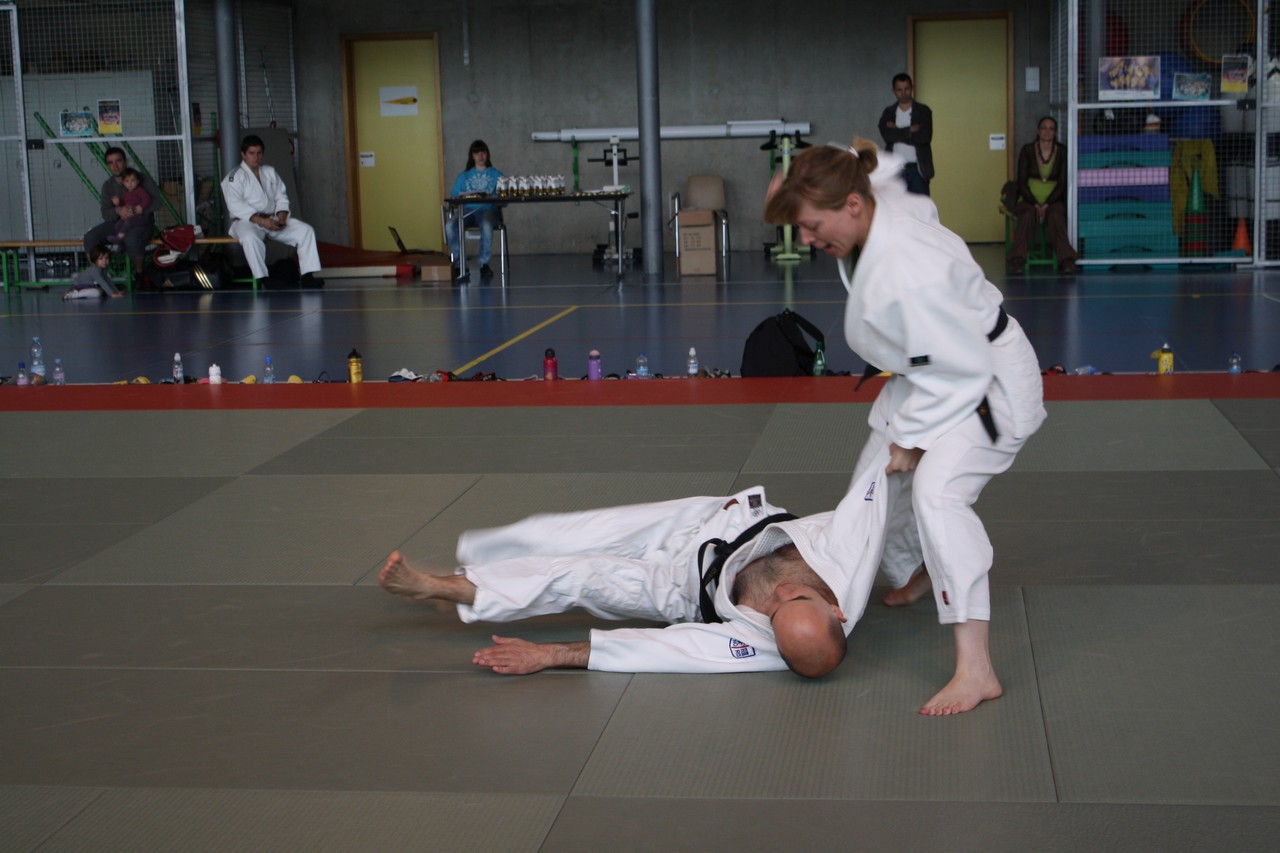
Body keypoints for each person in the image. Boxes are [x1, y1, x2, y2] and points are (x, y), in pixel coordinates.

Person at [764, 140, 1047, 715]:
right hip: (932, 372)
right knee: (873, 481)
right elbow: (887, 164)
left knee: (937, 493)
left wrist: (914, 440)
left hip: (987, 384)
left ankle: (976, 668)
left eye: (813, 226)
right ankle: (918, 567)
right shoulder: (872, 191)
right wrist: (800, 174)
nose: (809, 240)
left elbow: (964, 366)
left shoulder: (908, 267)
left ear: (851, 205)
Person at [379, 457, 899, 678]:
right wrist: (909, 444)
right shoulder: (850, 559)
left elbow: (664, 650)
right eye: (799, 597)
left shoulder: (762, 649)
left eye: (777, 612)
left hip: (684, 587)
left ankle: (440, 587)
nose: (783, 593)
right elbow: (879, 487)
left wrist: (550, 654)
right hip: (716, 522)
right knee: (565, 532)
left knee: (576, 574)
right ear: (837, 609)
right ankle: (474, 570)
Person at [221, 134, 323, 287]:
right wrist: (262, 221)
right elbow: (235, 205)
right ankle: (263, 279)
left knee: (305, 231)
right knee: (250, 238)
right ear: (243, 154)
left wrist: (281, 217)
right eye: (251, 153)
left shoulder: (269, 172)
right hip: (246, 222)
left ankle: (308, 276)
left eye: (259, 153)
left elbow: (281, 197)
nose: (256, 157)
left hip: (272, 220)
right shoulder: (234, 177)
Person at [1008, 116, 1079, 275]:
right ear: (1038, 131)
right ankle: (1017, 261)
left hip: (1053, 200)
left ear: (1055, 133)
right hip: (1029, 199)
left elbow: (1062, 183)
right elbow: (1022, 182)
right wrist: (1035, 204)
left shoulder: (1062, 151)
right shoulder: (1027, 150)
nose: (1047, 132)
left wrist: (1046, 204)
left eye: (1051, 129)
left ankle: (1066, 260)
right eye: (1044, 128)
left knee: (1056, 216)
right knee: (1027, 215)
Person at [82, 147, 162, 285]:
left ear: (125, 161)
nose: (115, 166)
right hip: (117, 223)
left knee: (131, 239)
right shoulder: (108, 186)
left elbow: (158, 202)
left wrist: (140, 209)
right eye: (110, 162)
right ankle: (97, 275)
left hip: (140, 223)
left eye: (118, 161)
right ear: (107, 165)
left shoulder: (142, 179)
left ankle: (139, 274)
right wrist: (117, 211)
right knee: (90, 237)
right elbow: (105, 213)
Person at [444, 140, 504, 279]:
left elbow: (504, 199)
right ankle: (460, 265)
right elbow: (454, 198)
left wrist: (496, 198)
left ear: (487, 154)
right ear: (472, 156)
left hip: (488, 210)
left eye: (483, 152)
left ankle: (484, 264)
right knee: (450, 226)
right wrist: (459, 198)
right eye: (477, 153)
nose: (480, 156)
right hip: (467, 211)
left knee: (486, 225)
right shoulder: (463, 176)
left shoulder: (497, 175)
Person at [878, 73, 934, 196]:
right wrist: (909, 130)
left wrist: (897, 131)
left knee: (920, 206)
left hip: (918, 170)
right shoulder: (889, 112)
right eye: (899, 90)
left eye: (906, 89)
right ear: (894, 91)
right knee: (895, 206)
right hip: (895, 170)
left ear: (911, 88)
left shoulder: (923, 111)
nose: (903, 93)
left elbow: (924, 138)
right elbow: (888, 136)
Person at [108, 168, 153, 248]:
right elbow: (123, 205)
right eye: (127, 181)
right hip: (130, 216)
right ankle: (121, 244)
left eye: (133, 180)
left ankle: (119, 238)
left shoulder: (140, 190)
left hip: (141, 217)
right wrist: (118, 203)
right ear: (123, 183)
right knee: (118, 224)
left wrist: (141, 206)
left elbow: (147, 199)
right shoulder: (125, 194)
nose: (130, 183)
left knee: (129, 222)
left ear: (137, 181)